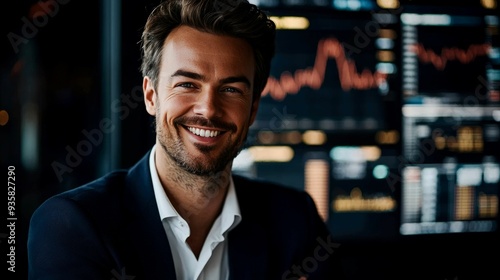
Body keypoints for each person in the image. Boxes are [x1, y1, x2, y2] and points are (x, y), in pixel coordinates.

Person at [27, 0, 345, 279]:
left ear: (252, 110)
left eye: (231, 90)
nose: (208, 109)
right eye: (187, 85)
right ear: (151, 96)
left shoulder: (295, 220)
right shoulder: (71, 226)